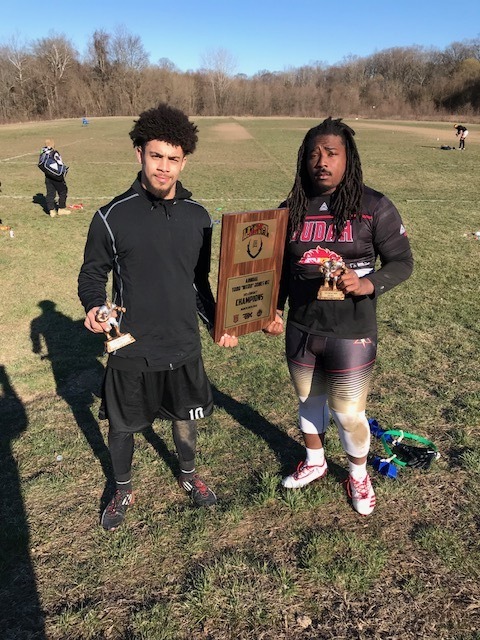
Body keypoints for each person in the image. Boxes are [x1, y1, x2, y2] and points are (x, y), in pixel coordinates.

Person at [78, 103, 238, 531]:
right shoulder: (111, 216)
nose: (163, 167)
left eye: (173, 158)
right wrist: (94, 306)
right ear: (139, 154)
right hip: (132, 348)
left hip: (182, 343)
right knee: (123, 425)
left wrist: (218, 323)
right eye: (156, 156)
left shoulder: (198, 217)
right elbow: (92, 275)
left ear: (184, 161)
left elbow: (198, 283)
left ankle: (188, 474)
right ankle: (122, 488)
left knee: (185, 419)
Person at [264, 117, 413, 516]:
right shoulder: (290, 209)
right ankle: (315, 461)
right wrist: (273, 308)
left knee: (348, 413)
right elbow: (279, 270)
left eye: (331, 153)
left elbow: (402, 262)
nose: (322, 162)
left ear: (348, 158)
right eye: (314, 154)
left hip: (352, 332)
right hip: (302, 328)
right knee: (308, 401)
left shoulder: (374, 206)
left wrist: (368, 284)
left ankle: (358, 474)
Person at [38, 139, 70, 217]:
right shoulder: (54, 153)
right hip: (57, 177)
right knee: (63, 191)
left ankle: (51, 210)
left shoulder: (43, 152)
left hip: (48, 176)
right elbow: (59, 163)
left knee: (50, 193)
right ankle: (61, 209)